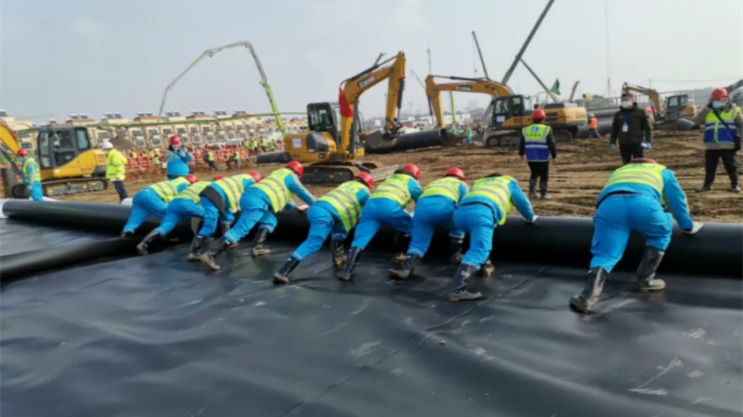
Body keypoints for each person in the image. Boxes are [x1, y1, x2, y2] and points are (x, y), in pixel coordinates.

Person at [569, 158, 702, 313]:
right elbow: (677, 201)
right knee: (660, 234)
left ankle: (586, 297)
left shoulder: (620, 171)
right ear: (652, 163)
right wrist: (687, 226)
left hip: (610, 206)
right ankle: (645, 280)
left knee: (605, 253)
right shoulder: (662, 171)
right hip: (644, 205)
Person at [196, 161, 316, 271]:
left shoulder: (277, 175)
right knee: (240, 229)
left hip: (249, 198)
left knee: (270, 221)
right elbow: (303, 193)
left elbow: (286, 200)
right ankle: (210, 254)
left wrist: (297, 208)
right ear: (298, 173)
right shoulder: (291, 176)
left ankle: (257, 248)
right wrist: (319, 205)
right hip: (258, 201)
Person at [449, 173, 537, 301]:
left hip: (460, 214)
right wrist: (530, 218)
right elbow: (522, 202)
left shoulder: (479, 182)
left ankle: (485, 266)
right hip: (482, 213)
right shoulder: (508, 182)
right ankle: (458, 289)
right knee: (480, 250)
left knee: (478, 241)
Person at [273, 173, 374, 284]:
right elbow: (370, 208)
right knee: (313, 243)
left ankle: (338, 257)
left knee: (340, 232)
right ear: (369, 185)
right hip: (327, 214)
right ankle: (283, 271)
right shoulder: (365, 192)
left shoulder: (346, 184)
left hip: (317, 208)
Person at [336, 164, 423, 281]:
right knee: (410, 227)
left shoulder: (389, 179)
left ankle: (346, 272)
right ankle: (399, 255)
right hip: (389, 207)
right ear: (415, 175)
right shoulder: (411, 181)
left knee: (359, 241)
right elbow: (421, 201)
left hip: (370, 207)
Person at [390, 168, 470, 280]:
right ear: (462, 178)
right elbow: (464, 205)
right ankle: (455, 255)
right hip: (443, 210)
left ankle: (405, 269)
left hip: (421, 211)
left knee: (418, 242)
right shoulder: (462, 185)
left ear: (444, 176)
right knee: (459, 224)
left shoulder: (434, 183)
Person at [188, 173, 261, 261]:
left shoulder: (240, 178)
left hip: (216, 195)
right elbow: (237, 198)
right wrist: (237, 208)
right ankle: (193, 252)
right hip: (213, 195)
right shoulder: (250, 181)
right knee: (210, 226)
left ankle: (227, 240)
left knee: (228, 217)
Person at [136, 176, 214, 255]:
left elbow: (179, 190)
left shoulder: (186, 186)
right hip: (187, 204)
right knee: (209, 216)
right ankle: (199, 245)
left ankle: (143, 244)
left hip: (173, 204)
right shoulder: (211, 186)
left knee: (165, 226)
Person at [692, 88, 742, 193]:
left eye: (718, 99)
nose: (716, 101)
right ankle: (707, 186)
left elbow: (742, 125)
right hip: (711, 144)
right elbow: (696, 121)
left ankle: (735, 185)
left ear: (725, 98)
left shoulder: (734, 110)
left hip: (727, 144)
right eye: (714, 99)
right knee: (710, 167)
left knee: (731, 166)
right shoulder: (708, 111)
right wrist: (706, 109)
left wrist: (741, 140)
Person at [120, 175, 197, 238]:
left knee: (135, 219)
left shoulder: (173, 180)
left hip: (140, 194)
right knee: (169, 215)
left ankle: (125, 235)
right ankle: (164, 235)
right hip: (150, 196)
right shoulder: (186, 184)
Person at [519, 108, 557, 200]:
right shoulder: (546, 129)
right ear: (543, 118)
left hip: (530, 157)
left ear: (532, 118)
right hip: (542, 156)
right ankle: (543, 195)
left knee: (534, 173)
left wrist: (521, 154)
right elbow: (551, 143)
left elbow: (522, 143)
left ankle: (532, 193)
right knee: (543, 175)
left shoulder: (525, 129)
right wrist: (554, 155)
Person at [610, 93, 653, 164]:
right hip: (623, 143)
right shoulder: (618, 114)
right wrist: (612, 141)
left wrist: (648, 141)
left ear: (632, 100)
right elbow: (615, 129)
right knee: (626, 163)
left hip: (637, 142)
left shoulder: (641, 111)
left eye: (627, 100)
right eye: (623, 100)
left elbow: (648, 127)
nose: (624, 102)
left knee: (639, 163)